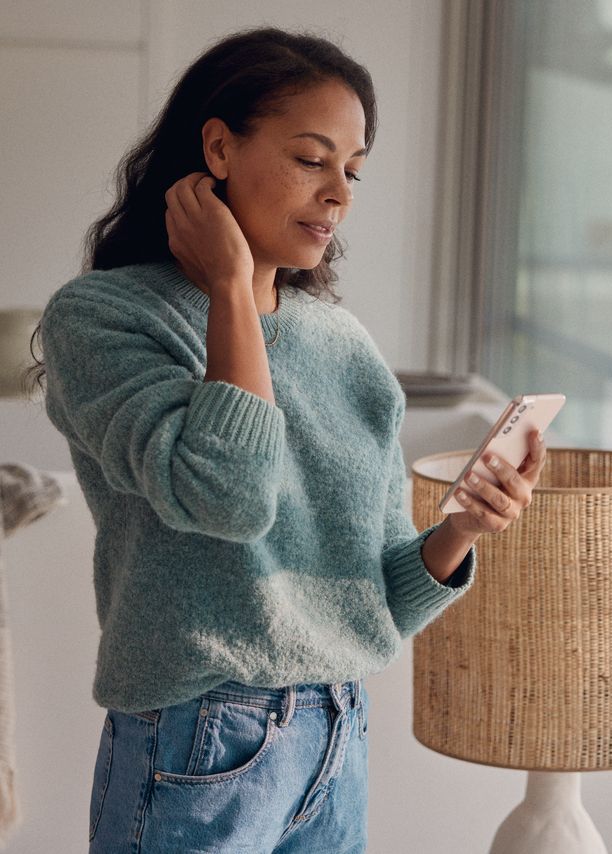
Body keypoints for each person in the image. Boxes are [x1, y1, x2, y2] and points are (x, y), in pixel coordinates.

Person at [25, 25, 547, 854]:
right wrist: (232, 285)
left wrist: (459, 531)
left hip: (334, 732)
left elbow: (371, 603)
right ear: (219, 148)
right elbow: (224, 498)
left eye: (353, 169)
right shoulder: (103, 319)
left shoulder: (342, 345)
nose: (338, 192)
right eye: (311, 159)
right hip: (198, 737)